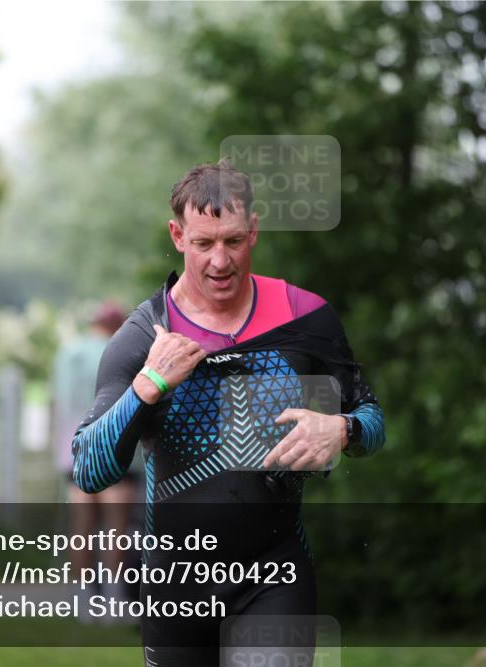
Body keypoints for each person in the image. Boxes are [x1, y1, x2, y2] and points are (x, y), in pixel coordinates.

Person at [71, 159, 385, 665]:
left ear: (254, 230)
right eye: (203, 243)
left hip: (274, 577)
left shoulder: (304, 319)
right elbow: (89, 468)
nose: (220, 261)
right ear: (177, 235)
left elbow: (372, 422)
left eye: (233, 241)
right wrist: (149, 385)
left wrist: (342, 429)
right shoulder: (145, 336)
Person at [53, 301, 137, 613]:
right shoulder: (125, 350)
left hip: (74, 451)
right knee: (116, 526)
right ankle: (114, 599)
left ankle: (82, 600)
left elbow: (58, 401)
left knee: (81, 528)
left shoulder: (67, 354)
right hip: (117, 448)